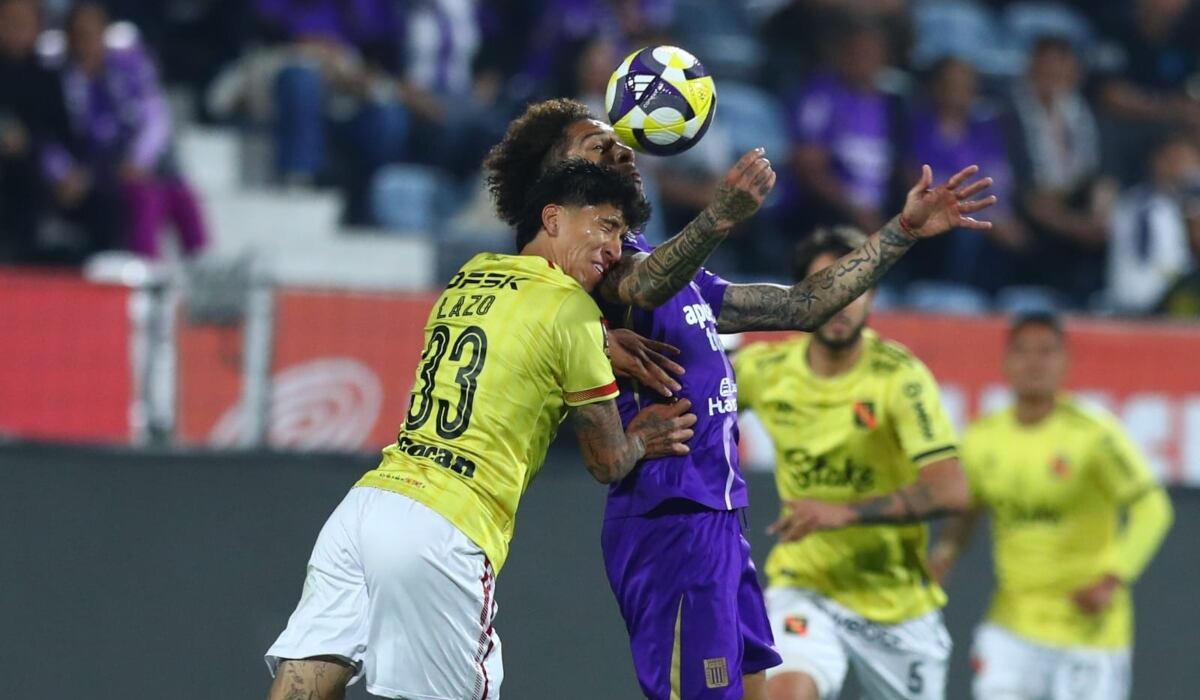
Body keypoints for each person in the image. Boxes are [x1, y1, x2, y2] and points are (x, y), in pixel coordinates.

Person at [483, 97, 995, 700]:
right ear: (556, 192)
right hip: (669, 521)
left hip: (721, 520)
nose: (621, 150)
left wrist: (903, 231)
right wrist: (718, 216)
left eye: (621, 146)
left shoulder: (672, 271)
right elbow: (646, 286)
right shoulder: (596, 272)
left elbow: (803, 306)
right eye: (599, 148)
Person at [264, 160, 699, 700]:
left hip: (366, 506)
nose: (614, 248)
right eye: (606, 226)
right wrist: (643, 439)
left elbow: (519, 331)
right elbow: (606, 460)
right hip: (445, 525)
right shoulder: (573, 312)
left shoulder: (468, 275)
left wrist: (601, 342)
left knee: (304, 685)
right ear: (553, 218)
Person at [733, 227, 968, 700]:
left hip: (896, 605)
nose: (841, 302)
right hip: (807, 586)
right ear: (800, 298)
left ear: (873, 295)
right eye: (825, 288)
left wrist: (843, 513)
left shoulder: (899, 377)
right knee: (786, 692)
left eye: (854, 289)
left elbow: (951, 491)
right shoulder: (764, 370)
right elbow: (691, 404)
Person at [929, 312, 1174, 700]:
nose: (1034, 362)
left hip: (1088, 629)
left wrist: (1112, 579)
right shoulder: (982, 438)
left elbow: (1153, 508)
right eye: (1023, 351)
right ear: (1005, 362)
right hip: (1012, 623)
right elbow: (967, 510)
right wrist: (945, 553)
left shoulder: (1094, 433)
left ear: (1065, 362)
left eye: (1046, 351)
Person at [61, 3, 208, 260]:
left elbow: (155, 117)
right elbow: (55, 136)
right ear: (70, 38)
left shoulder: (127, 68)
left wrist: (138, 160)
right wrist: (65, 171)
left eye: (93, 34)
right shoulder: (62, 80)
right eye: (81, 35)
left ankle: (203, 269)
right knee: (146, 197)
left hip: (129, 163)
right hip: (91, 167)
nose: (88, 43)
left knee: (179, 191)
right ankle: (145, 272)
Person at [908, 56, 1025, 293]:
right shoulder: (919, 126)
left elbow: (999, 178)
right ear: (936, 86)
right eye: (952, 83)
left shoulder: (985, 130)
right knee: (969, 235)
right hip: (939, 224)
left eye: (966, 84)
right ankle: (955, 297)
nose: (960, 91)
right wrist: (980, 213)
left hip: (990, 219)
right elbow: (918, 183)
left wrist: (998, 215)